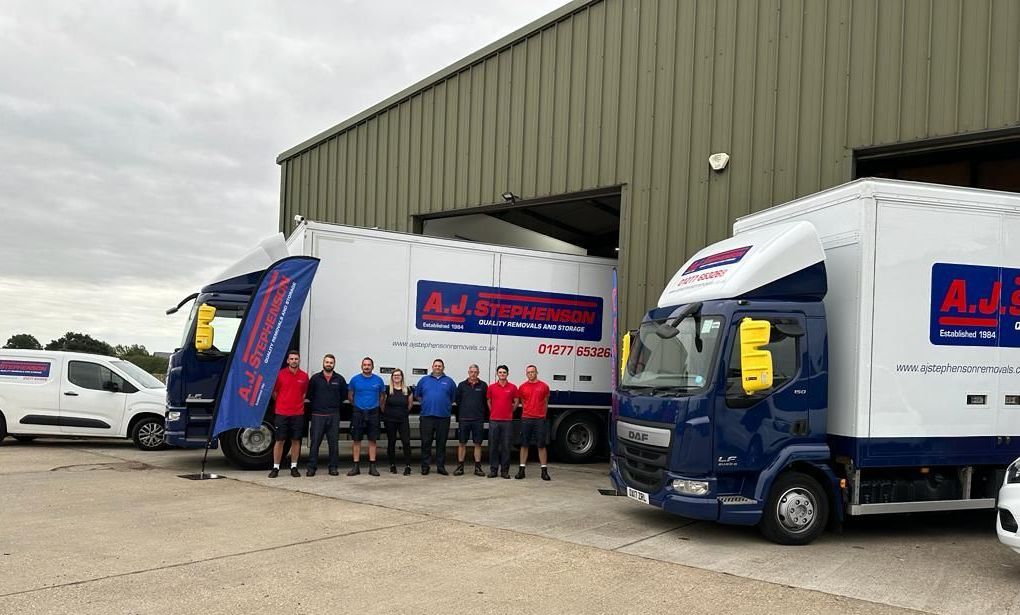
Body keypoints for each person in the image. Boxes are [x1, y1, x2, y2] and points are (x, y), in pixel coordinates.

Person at [304, 353, 347, 477]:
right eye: (327, 362)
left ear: (334, 364)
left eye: (331, 362)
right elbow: (310, 395)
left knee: (333, 443)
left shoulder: (339, 379)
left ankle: (333, 467)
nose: (329, 364)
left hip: (333, 415)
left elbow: (343, 396)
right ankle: (311, 468)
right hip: (318, 415)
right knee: (315, 443)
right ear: (323, 363)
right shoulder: (315, 378)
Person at [269, 350, 309, 478]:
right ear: (287, 361)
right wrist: (283, 403)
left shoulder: (304, 376)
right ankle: (275, 468)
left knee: (296, 440)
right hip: (282, 413)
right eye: (291, 359)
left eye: (296, 359)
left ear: (299, 361)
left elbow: (303, 394)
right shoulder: (280, 375)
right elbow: (274, 393)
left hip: (297, 413)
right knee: (279, 440)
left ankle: (294, 467)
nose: (294, 361)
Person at [415, 358, 456, 475]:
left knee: (441, 443)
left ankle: (440, 467)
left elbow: (453, 397)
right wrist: (425, 402)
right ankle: (425, 466)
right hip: (427, 416)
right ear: (432, 367)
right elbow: (418, 395)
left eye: (440, 366)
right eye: (436, 366)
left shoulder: (449, 381)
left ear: (443, 368)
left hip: (443, 417)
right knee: (426, 442)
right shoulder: (424, 380)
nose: (438, 367)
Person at [347, 356, 385, 476]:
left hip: (373, 412)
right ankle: (355, 466)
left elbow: (382, 396)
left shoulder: (378, 380)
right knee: (356, 440)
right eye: (365, 365)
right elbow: (350, 396)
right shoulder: (355, 380)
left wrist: (376, 406)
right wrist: (358, 405)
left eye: (369, 365)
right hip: (358, 412)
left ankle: (372, 467)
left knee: (372, 440)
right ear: (361, 366)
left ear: (372, 367)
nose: (367, 367)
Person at [516, 364, 551, 481]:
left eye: (532, 372)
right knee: (524, 444)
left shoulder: (544, 386)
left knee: (541, 445)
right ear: (526, 374)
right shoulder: (522, 387)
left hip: (540, 419)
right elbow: (522, 402)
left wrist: (543, 415)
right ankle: (521, 470)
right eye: (528, 372)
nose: (531, 374)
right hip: (526, 418)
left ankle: (544, 471)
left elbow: (546, 402)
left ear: (536, 372)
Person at [454, 364, 487, 476]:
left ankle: (477, 468)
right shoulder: (462, 385)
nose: (473, 374)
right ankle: (460, 467)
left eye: (475, 372)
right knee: (462, 443)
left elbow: (485, 401)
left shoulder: (483, 385)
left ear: (478, 373)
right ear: (468, 372)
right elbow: (458, 400)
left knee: (478, 444)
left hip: (478, 419)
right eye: (471, 372)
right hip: (464, 419)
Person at [485, 364, 517, 479]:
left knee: (506, 447)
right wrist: (493, 411)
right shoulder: (491, 387)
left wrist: (510, 412)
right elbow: (489, 401)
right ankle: (493, 470)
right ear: (497, 374)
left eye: (504, 372)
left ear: (507, 374)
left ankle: (504, 471)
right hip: (494, 421)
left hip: (507, 421)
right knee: (493, 446)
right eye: (500, 372)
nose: (502, 374)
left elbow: (516, 401)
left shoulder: (513, 387)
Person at [382, 369, 414, 475]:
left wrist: (403, 413)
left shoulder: (407, 390)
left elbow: (410, 404)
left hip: (403, 419)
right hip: (390, 420)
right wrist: (387, 413)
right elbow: (382, 404)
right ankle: (392, 465)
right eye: (394, 375)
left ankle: (408, 466)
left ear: (402, 377)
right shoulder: (387, 390)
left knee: (406, 442)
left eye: (398, 375)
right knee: (391, 442)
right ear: (392, 377)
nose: (396, 377)